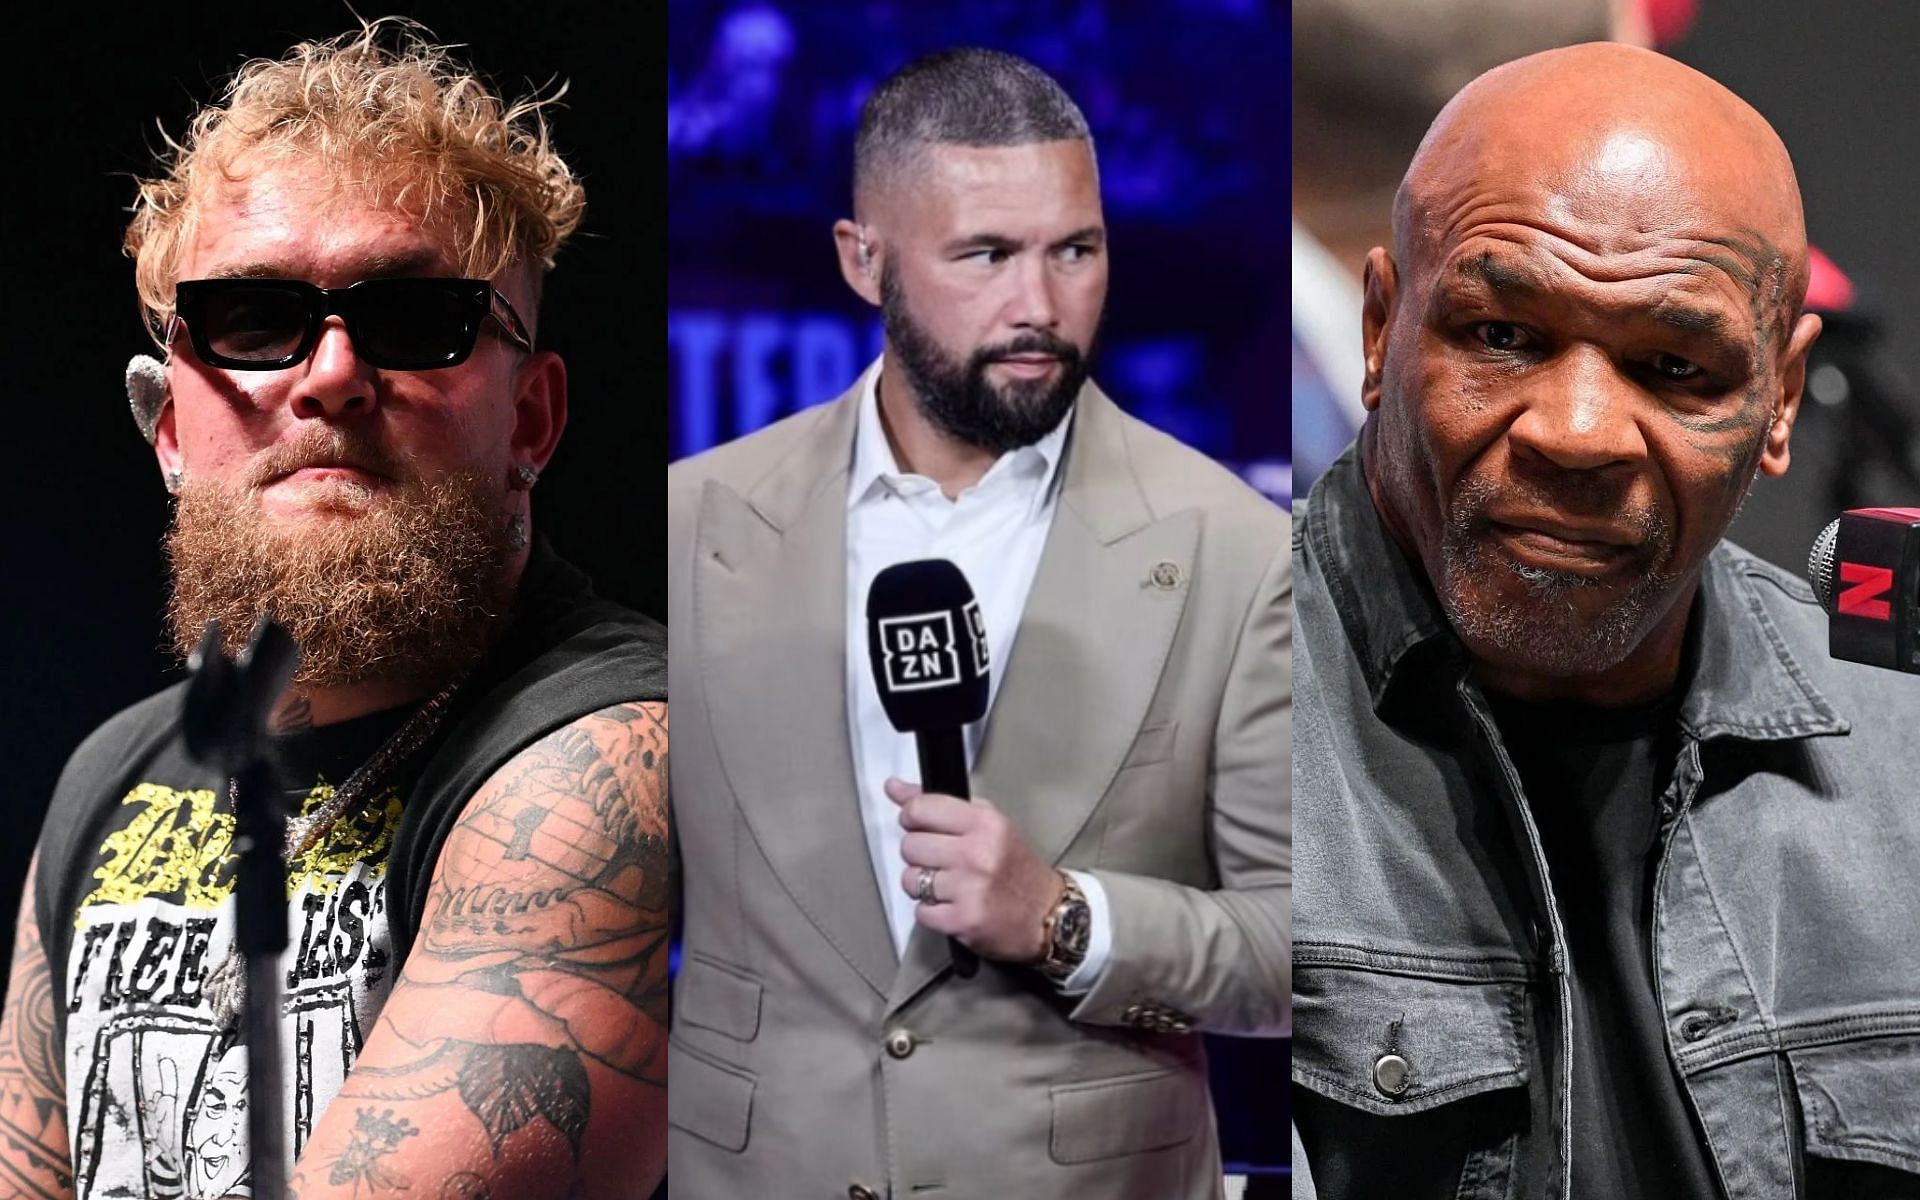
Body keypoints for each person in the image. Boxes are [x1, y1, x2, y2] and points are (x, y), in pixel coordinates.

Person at [0, 23, 668, 1200]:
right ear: (168, 428)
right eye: (252, 321)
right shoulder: (109, 775)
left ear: (531, 423)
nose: (330, 374)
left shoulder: (624, 750)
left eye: (415, 318)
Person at [1291, 42, 1920, 1199]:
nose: (1576, 433)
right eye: (1502, 336)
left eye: (1675, 367)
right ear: (1381, 329)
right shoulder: (1187, 702)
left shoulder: (1902, 751)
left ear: (1780, 398)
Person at [666, 47, 1289, 1199]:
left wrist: (1067, 916)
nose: (1039, 308)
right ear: (865, 262)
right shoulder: (689, 521)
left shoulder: (1237, 548)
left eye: (1076, 252)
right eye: (988, 256)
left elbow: (1300, 948)